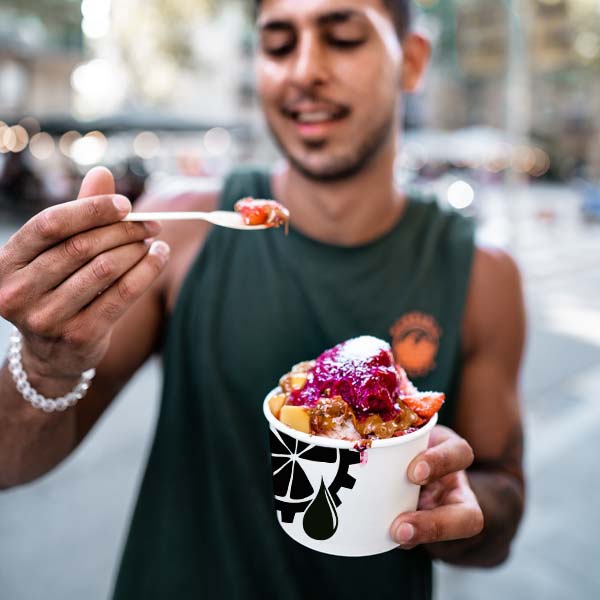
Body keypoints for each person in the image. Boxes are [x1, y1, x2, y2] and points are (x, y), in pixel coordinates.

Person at [0, 0, 526, 598]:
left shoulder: (484, 275)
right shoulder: (177, 233)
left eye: (344, 37)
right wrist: (44, 366)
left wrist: (448, 502)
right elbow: (8, 461)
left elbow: (502, 505)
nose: (303, 70)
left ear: (410, 61)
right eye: (278, 44)